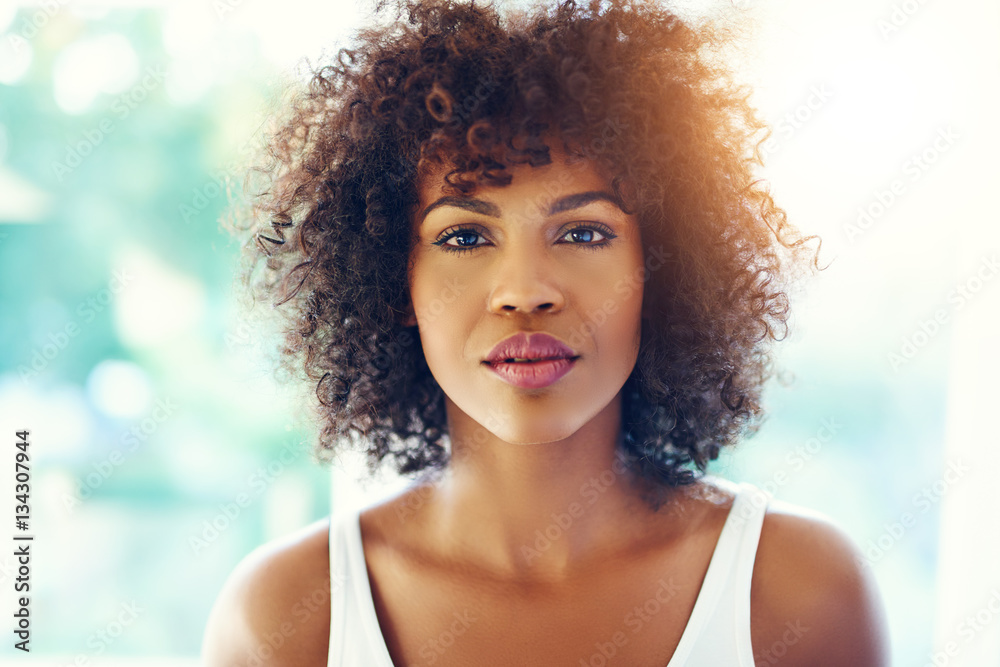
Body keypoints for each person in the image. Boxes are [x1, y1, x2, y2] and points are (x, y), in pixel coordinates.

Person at [201, 0, 890, 664]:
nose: (525, 292)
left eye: (584, 232)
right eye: (465, 235)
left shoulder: (798, 596)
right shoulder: (287, 621)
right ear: (393, 279)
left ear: (663, 267)